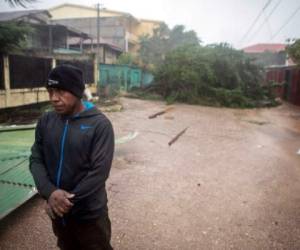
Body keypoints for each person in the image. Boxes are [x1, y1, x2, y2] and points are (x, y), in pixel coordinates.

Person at [29, 64, 114, 250]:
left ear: (76, 91)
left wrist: (64, 201)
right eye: (50, 91)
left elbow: (99, 172)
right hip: (59, 213)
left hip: (89, 213)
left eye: (60, 91)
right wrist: (50, 192)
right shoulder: (46, 121)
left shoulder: (99, 125)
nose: (54, 99)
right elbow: (36, 159)